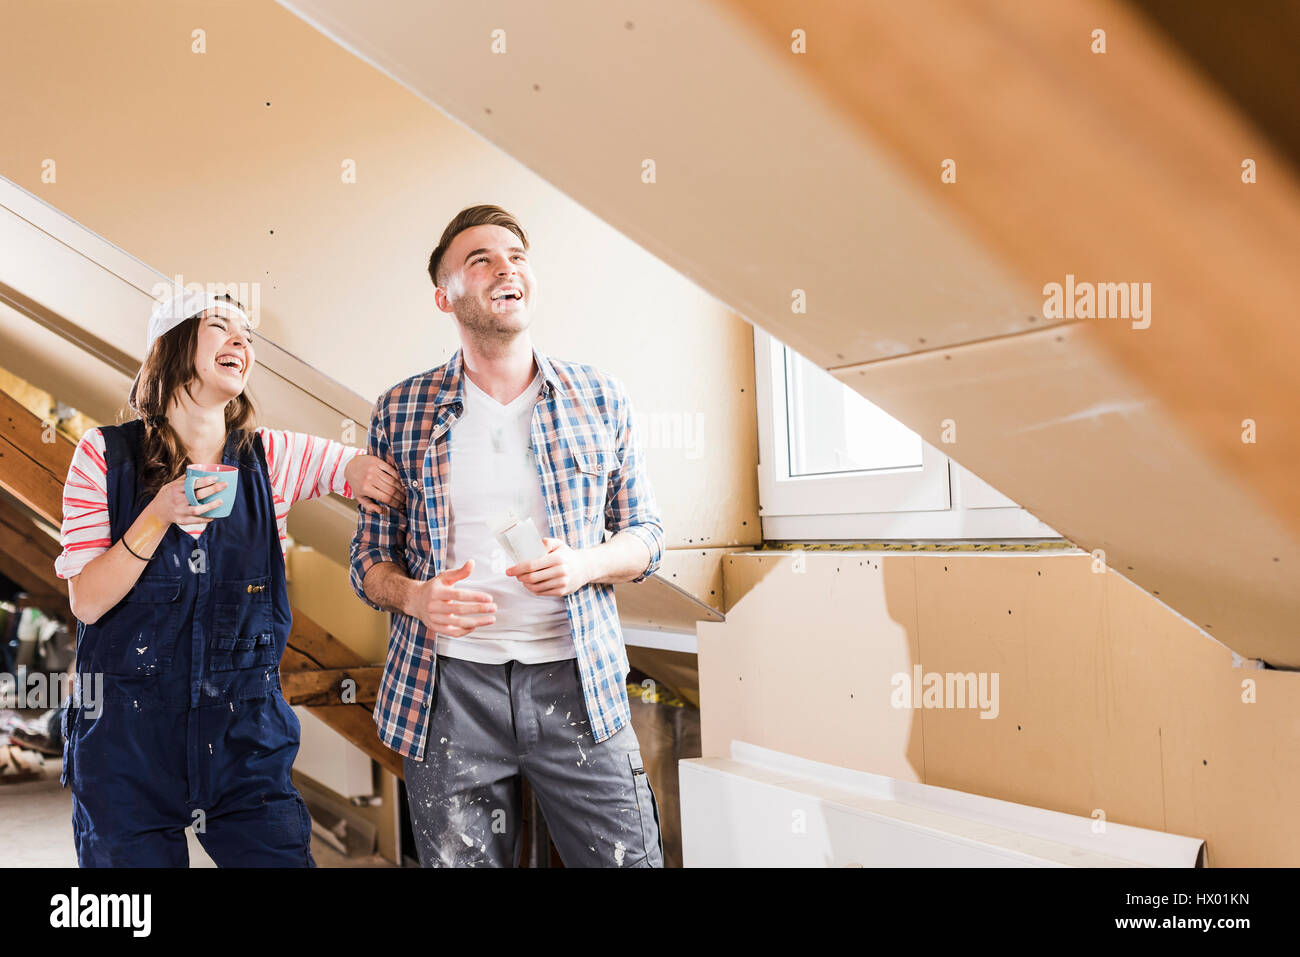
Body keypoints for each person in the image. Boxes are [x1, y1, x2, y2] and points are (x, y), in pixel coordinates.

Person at [350, 205, 666, 867]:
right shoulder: (401, 409)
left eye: (516, 256)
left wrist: (583, 564)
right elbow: (370, 561)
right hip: (448, 690)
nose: (506, 269)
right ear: (445, 296)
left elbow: (646, 535)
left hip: (579, 682)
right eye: (481, 260)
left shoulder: (599, 397)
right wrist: (416, 598)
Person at [54, 288, 405, 867]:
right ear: (169, 346)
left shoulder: (273, 458)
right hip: (126, 749)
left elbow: (359, 468)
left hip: (245, 747)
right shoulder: (104, 457)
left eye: (247, 333)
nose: (241, 339)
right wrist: (159, 514)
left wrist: (374, 474)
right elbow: (87, 601)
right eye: (220, 325)